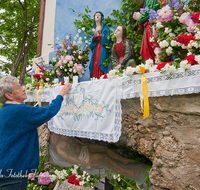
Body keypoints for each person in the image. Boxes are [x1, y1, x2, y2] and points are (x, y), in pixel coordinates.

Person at [0, 76, 72, 189]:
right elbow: (48, 111)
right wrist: (61, 93)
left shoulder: (3, 110)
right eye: (18, 88)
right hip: (14, 170)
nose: (23, 89)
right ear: (8, 95)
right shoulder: (20, 110)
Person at [89, 11, 110, 79]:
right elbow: (91, 45)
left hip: (102, 49)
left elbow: (107, 41)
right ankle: (94, 78)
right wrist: (94, 37)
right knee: (95, 64)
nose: (97, 16)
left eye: (99, 15)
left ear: (102, 18)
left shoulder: (105, 29)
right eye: (96, 15)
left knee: (100, 64)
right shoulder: (93, 29)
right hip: (95, 50)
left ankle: (101, 77)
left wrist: (100, 36)